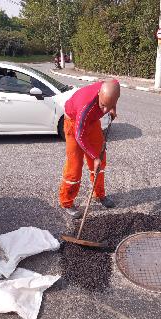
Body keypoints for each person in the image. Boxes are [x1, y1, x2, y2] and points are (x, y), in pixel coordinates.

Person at [58, 79, 120, 218]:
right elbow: (80, 136)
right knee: (74, 168)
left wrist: (112, 109)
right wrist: (94, 156)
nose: (104, 110)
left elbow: (113, 98)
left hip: (92, 123)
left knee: (99, 165)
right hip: (74, 124)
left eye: (107, 106)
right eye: (103, 105)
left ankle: (99, 194)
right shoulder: (85, 106)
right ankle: (66, 202)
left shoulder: (112, 88)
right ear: (99, 94)